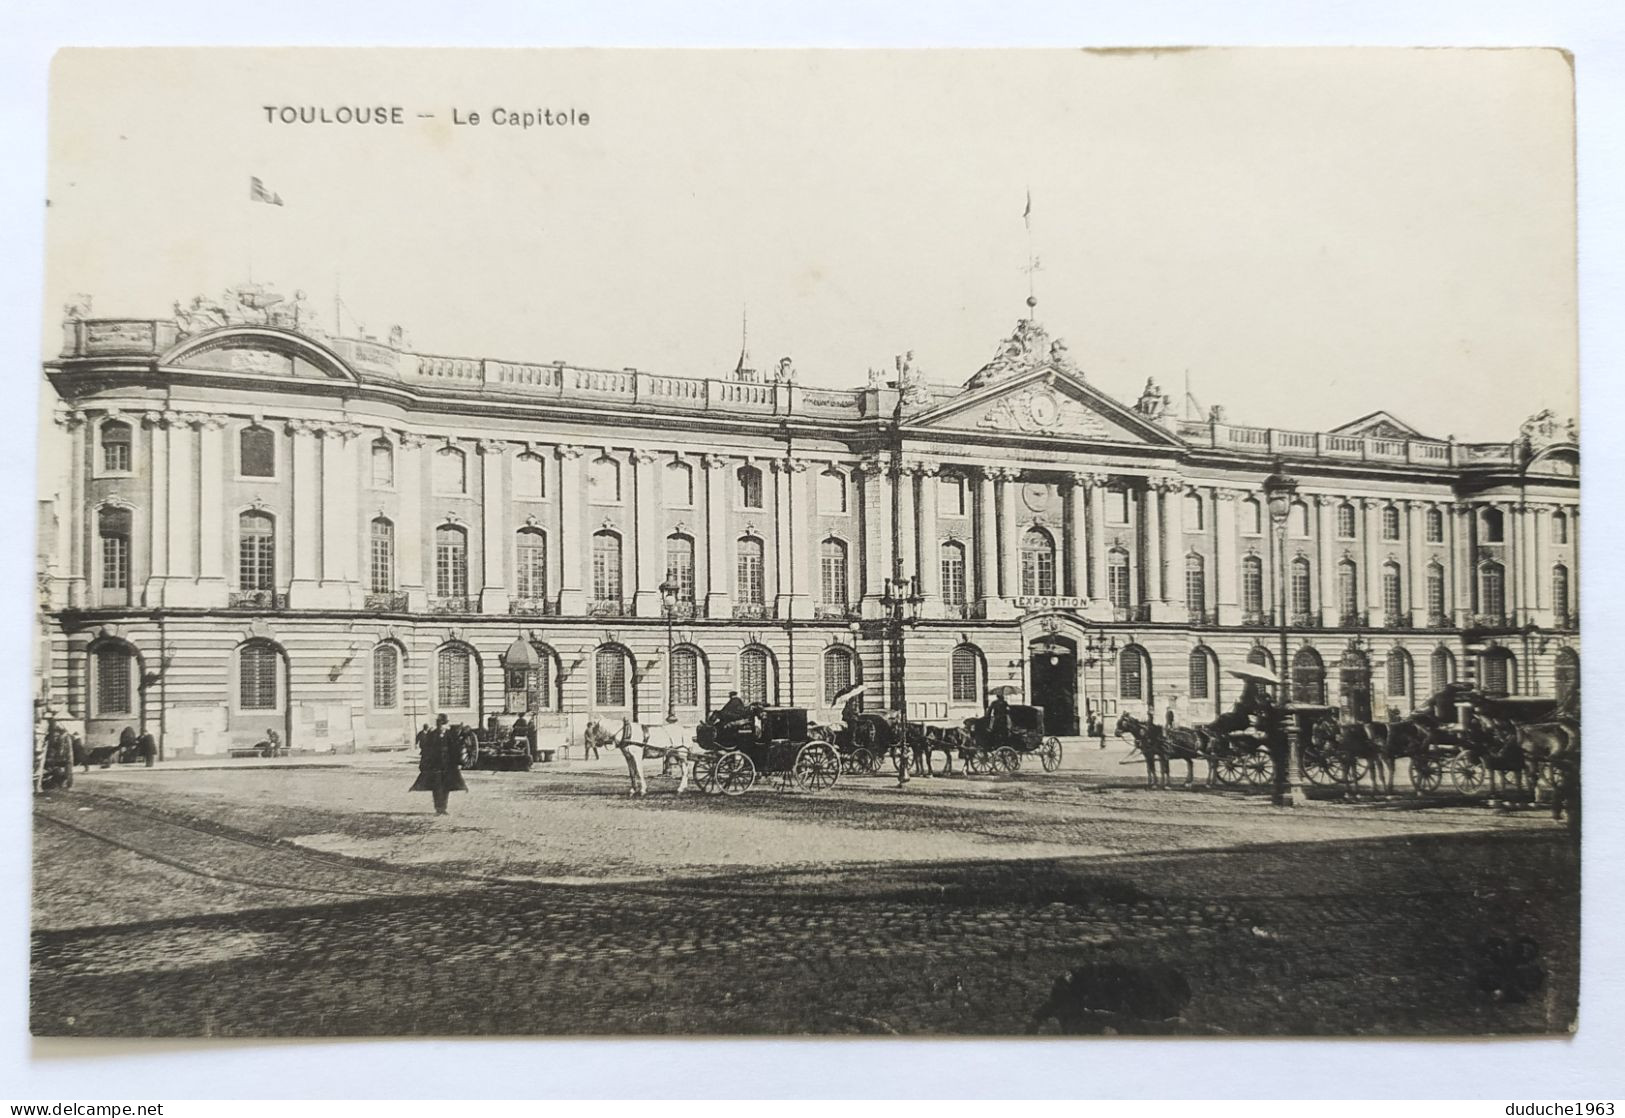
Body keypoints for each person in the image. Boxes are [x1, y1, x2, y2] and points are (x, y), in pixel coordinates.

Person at [410, 713, 467, 815]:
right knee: (436, 787)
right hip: (435, 765)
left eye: (443, 724)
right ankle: (438, 808)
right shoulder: (432, 735)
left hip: (448, 765)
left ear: (446, 724)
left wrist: (459, 762)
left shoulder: (451, 735)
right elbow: (426, 750)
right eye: (439, 725)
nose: (441, 727)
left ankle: (444, 808)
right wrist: (424, 764)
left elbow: (455, 749)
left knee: (446, 787)